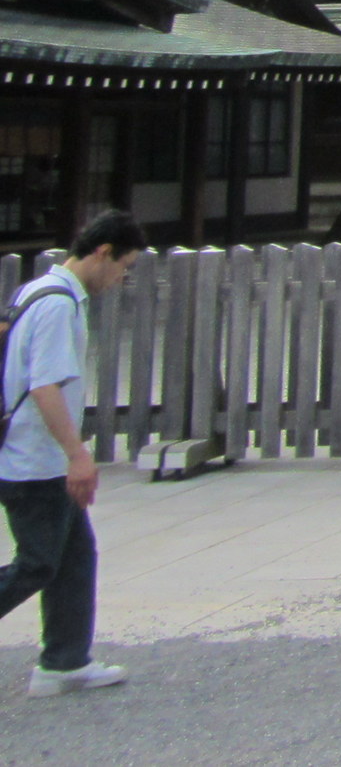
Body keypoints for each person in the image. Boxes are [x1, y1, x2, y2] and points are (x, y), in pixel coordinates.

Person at [1, 209, 146, 698]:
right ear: (103, 253)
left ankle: (64, 663)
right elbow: (45, 388)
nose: (121, 277)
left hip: (28, 454)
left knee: (75, 556)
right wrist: (76, 454)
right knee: (39, 562)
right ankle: (63, 662)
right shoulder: (61, 304)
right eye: (124, 265)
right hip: (32, 459)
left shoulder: (36, 289)